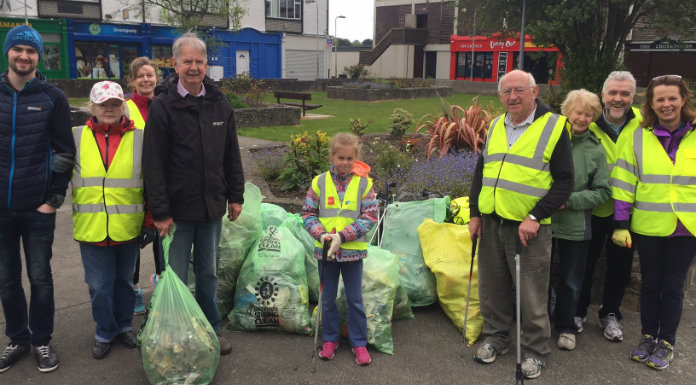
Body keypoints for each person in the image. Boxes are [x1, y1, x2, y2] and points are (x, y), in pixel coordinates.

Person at [143, 32, 244, 356]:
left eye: (199, 61)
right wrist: (160, 212)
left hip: (211, 208)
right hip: (176, 213)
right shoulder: (163, 106)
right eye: (187, 61)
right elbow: (153, 163)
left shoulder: (219, 102)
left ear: (205, 65)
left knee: (208, 273)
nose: (194, 67)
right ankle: (175, 332)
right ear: (174, 64)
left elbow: (232, 153)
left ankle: (210, 329)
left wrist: (236, 195)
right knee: (173, 275)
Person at [468, 69, 574, 379]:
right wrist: (475, 213)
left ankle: (536, 351)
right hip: (492, 222)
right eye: (506, 92)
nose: (512, 97)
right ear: (500, 96)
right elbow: (481, 172)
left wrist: (535, 216)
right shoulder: (496, 124)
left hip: (529, 228)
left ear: (534, 91)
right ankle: (497, 338)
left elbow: (565, 181)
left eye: (519, 90)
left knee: (531, 293)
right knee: (493, 288)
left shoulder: (554, 127)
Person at [0, 24, 74, 373]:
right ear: (8, 52)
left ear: (39, 57)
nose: (24, 56)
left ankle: (41, 339)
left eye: (31, 51)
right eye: (19, 50)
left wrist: (53, 199)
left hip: (38, 207)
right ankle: (17, 338)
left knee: (40, 276)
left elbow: (64, 153)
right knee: (6, 278)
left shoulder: (52, 98)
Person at [611, 74, 696, 371]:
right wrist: (621, 222)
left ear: (683, 99)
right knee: (650, 285)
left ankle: (667, 342)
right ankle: (648, 337)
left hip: (686, 226)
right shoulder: (638, 135)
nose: (666, 104)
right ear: (651, 103)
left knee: (673, 288)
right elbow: (623, 179)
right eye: (659, 99)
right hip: (648, 225)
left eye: (672, 98)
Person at [71, 81, 144, 359]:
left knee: (124, 282)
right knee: (99, 286)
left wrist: (149, 221)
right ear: (93, 107)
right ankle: (104, 330)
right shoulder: (76, 136)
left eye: (115, 104)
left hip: (127, 228)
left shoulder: (139, 138)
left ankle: (124, 325)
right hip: (91, 229)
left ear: (123, 106)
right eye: (103, 104)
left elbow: (150, 181)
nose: (109, 109)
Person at [301, 132, 378, 366]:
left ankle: (358, 342)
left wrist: (342, 237)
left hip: (352, 252)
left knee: (355, 298)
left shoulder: (364, 184)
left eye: (349, 158)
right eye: (340, 157)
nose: (344, 163)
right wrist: (321, 234)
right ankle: (330, 339)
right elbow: (307, 214)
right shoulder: (319, 182)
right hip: (326, 253)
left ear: (356, 158)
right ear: (332, 156)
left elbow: (370, 216)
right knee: (327, 298)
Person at [576, 71, 642, 342]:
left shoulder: (644, 121)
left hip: (627, 211)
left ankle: (611, 313)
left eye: (625, 93)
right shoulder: (587, 120)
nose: (618, 99)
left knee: (620, 267)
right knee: (584, 264)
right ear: (602, 95)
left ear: (633, 97)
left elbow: (677, 118)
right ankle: (578, 311)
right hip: (593, 208)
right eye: (613, 93)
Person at [551, 90, 610, 351]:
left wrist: (570, 200)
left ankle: (566, 327)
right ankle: (537, 324)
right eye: (579, 112)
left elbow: (603, 191)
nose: (583, 118)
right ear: (567, 112)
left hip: (575, 226)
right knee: (538, 278)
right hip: (543, 221)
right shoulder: (550, 139)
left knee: (571, 281)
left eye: (589, 114)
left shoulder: (596, 150)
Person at [125, 57, 161, 316]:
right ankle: (135, 290)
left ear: (156, 79)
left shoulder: (164, 105)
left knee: (163, 241)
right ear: (132, 80)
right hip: (134, 184)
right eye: (141, 76)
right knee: (134, 244)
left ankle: (161, 282)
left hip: (161, 183)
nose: (146, 80)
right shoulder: (125, 108)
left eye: (150, 75)